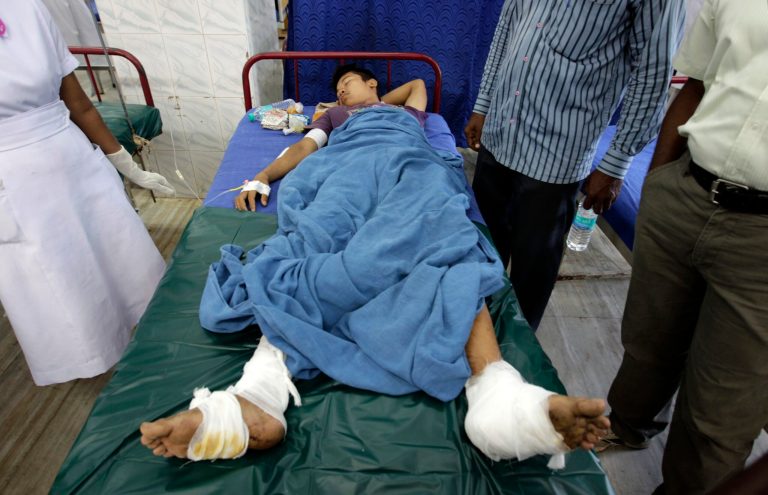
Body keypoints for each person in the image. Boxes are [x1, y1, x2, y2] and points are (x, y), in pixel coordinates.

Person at [139, 65, 609, 464]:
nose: (341, 90)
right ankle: (259, 395)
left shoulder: (409, 112)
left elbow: (419, 82)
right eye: (337, 86)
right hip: (347, 169)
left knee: (442, 237)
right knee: (312, 237)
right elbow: (302, 151)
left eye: (350, 82)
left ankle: (497, 393)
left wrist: (379, 99)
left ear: (373, 86)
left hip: (412, 164)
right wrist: (261, 176)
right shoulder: (337, 117)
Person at [602, 1, 768, 493]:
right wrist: (656, 183)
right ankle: (628, 424)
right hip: (686, 192)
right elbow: (694, 84)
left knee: (724, 400)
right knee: (648, 340)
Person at [464, 1, 684, 329]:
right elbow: (505, 31)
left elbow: (653, 72)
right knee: (481, 262)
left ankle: (515, 361)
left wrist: (616, 163)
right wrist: (483, 106)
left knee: (529, 283)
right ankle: (473, 347)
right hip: (499, 135)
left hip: (555, 156)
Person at [0, 0, 171, 385]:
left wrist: (125, 165)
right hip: (12, 179)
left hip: (71, 156)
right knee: (65, 284)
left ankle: (158, 356)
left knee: (126, 264)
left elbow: (78, 103)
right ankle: (111, 381)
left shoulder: (27, 8)